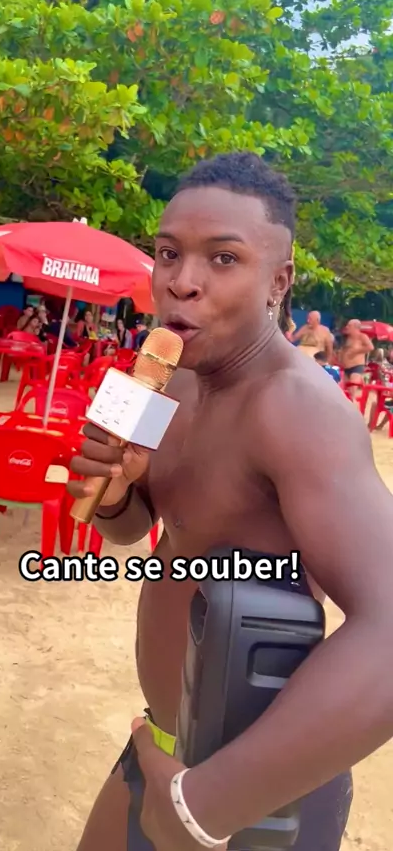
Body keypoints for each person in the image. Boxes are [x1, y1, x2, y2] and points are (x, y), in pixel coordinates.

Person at [68, 152, 393, 851]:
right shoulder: (167, 382)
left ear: (279, 281)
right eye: (168, 254)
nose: (182, 281)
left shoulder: (296, 410)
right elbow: (146, 531)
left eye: (223, 258)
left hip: (256, 788)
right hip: (165, 743)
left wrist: (209, 806)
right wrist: (114, 496)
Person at [339, 319, 374, 401]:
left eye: (349, 325)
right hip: (346, 367)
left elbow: (370, 347)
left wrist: (356, 351)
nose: (347, 327)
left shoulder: (362, 336)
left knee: (352, 391)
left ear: (356, 327)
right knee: (344, 393)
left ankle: (352, 406)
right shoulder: (347, 338)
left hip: (356, 367)